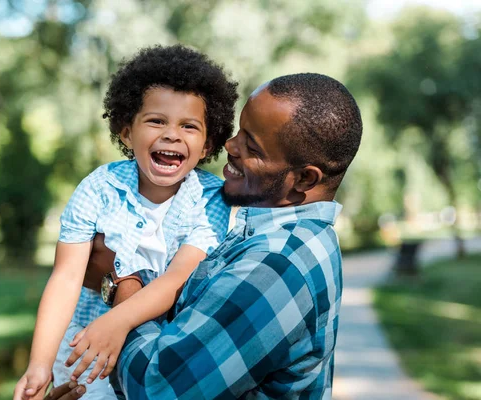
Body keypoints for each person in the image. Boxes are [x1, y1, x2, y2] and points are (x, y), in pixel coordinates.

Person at [61, 72, 363, 399]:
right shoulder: (281, 237)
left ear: (304, 179)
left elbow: (157, 387)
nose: (229, 146)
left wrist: (119, 282)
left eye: (251, 146)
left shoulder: (276, 265)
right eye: (239, 132)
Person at [13, 45, 238, 400]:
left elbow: (179, 278)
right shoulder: (98, 188)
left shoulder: (211, 198)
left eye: (189, 126)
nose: (172, 134)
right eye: (156, 121)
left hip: (163, 350)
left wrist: (117, 322)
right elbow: (67, 277)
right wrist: (39, 365)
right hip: (86, 348)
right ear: (127, 132)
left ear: (208, 144)